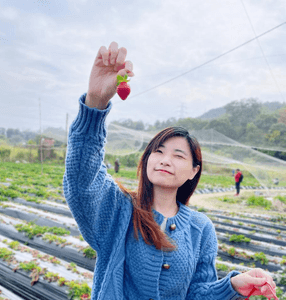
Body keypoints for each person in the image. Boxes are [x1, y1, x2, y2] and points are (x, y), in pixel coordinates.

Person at [63, 42, 278, 300]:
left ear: (193, 171)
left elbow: (197, 294)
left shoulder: (201, 229)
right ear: (147, 159)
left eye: (178, 155)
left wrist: (231, 286)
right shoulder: (119, 210)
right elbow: (82, 180)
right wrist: (96, 103)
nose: (165, 160)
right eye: (159, 151)